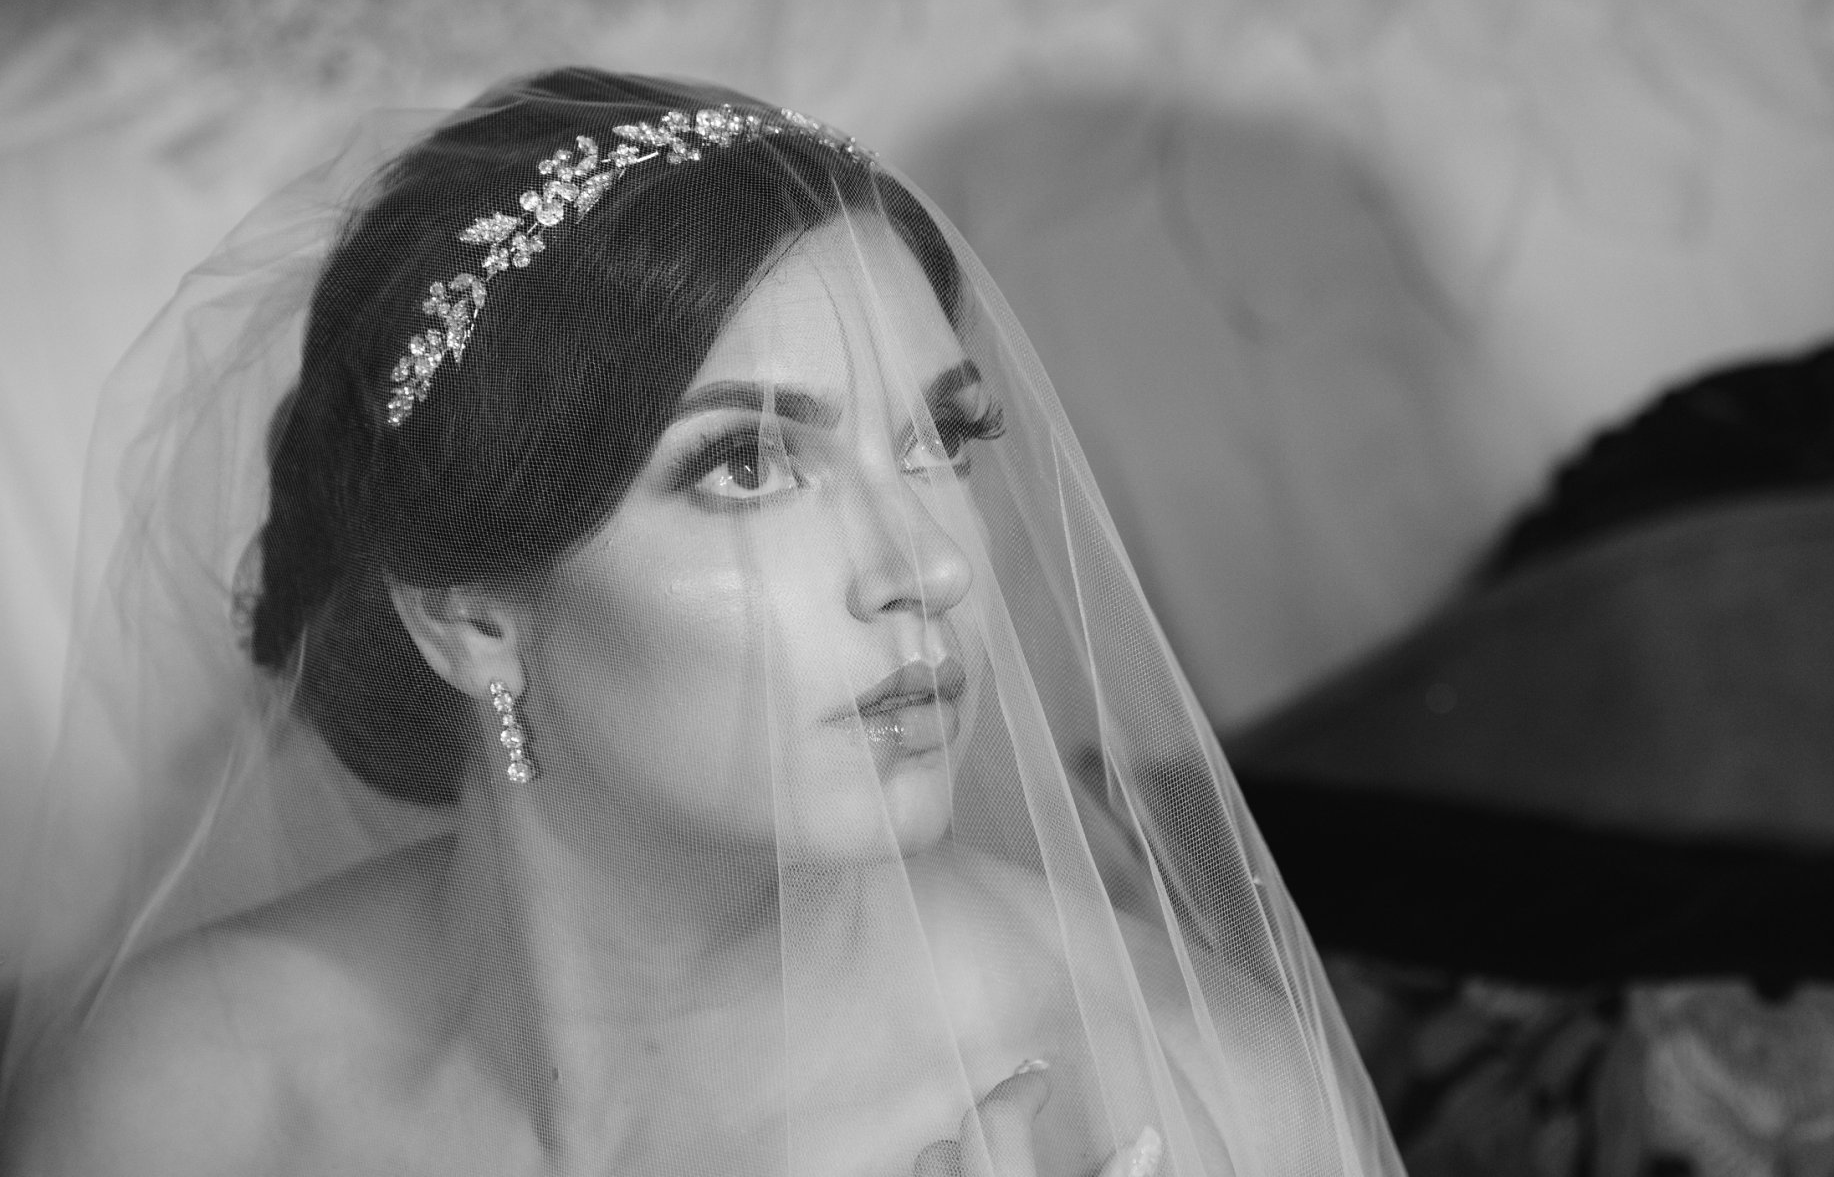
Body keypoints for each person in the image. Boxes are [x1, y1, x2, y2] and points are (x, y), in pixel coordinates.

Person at [0, 68, 1402, 1177]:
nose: (925, 566)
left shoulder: (1180, 1095)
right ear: (468, 616)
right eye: (747, 465)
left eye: (938, 442)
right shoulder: (176, 1101)